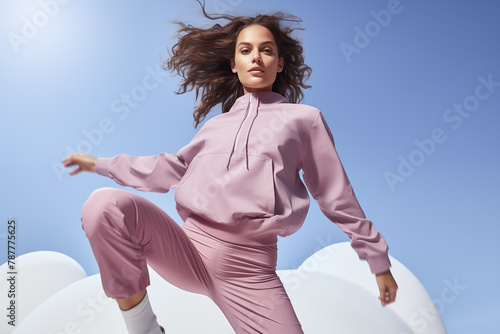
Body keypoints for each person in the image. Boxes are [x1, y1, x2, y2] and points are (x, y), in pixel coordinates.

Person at [62, 2, 398, 333]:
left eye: (266, 50)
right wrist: (100, 164)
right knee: (104, 206)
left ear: (279, 63)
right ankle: (145, 329)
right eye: (246, 50)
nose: (256, 57)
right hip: (188, 250)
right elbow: (170, 169)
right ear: (234, 64)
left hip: (250, 270)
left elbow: (334, 194)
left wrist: (377, 260)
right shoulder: (215, 127)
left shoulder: (304, 120)